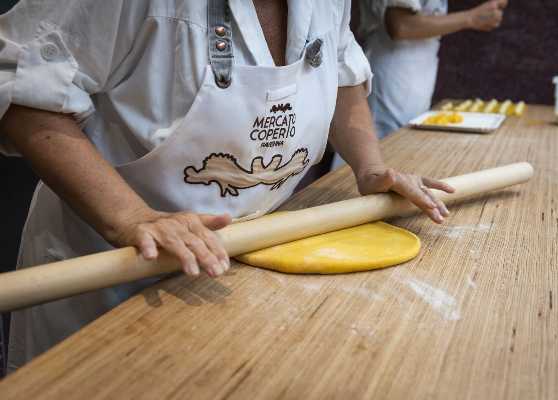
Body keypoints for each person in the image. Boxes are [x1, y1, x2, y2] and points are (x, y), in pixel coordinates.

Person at [0, 0, 454, 372]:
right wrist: (132, 218)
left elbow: (339, 70)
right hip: (108, 271)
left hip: (237, 264)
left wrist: (371, 169)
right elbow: (24, 89)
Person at [361, 0, 508, 138]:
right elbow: (401, 25)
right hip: (389, 82)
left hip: (416, 82)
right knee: (379, 149)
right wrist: (472, 18)